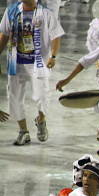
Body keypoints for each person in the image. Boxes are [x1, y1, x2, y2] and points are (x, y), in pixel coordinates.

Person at [0, 0, 64, 146]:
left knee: (42, 95)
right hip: (16, 62)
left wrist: (53, 56)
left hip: (38, 62)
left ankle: (41, 119)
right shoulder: (11, 11)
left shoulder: (46, 13)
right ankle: (23, 131)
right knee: (14, 96)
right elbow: (4, 34)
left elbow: (56, 36)